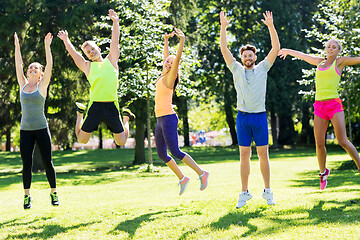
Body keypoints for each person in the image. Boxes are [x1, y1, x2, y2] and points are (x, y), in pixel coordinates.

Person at [278, 39, 360, 190]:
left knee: (342, 140)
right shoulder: (319, 62)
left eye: (333, 47)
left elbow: (358, 59)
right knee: (319, 143)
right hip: (319, 106)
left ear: (338, 51)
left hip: (334, 105)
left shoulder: (340, 62)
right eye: (328, 46)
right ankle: (323, 172)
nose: (330, 49)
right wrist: (288, 51)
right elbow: (303, 55)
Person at [220, 11, 280, 208]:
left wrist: (270, 25)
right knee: (244, 155)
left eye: (250, 55)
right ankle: (244, 193)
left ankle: (268, 191)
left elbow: (276, 48)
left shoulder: (263, 68)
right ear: (241, 58)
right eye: (244, 55)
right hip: (243, 118)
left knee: (264, 154)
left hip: (260, 117)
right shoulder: (236, 69)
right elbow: (224, 49)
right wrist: (223, 26)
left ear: (255, 56)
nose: (247, 58)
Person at [57, 9, 135, 146]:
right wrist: (66, 40)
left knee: (121, 142)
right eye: (88, 52)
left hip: (112, 105)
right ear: (87, 56)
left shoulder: (111, 60)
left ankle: (126, 118)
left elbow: (115, 42)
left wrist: (116, 22)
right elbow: (74, 55)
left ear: (99, 49)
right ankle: (80, 113)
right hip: (96, 106)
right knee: (82, 139)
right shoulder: (87, 67)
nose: (91, 52)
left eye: (93, 49)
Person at [155, 29, 209, 195]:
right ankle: (183, 178)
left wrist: (182, 40)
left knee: (176, 152)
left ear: (174, 68)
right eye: (167, 62)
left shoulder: (170, 78)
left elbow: (175, 59)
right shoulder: (162, 74)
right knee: (162, 155)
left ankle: (202, 173)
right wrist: (165, 41)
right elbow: (167, 57)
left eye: (172, 63)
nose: (169, 63)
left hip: (169, 118)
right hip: (159, 119)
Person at [14, 32, 59, 209]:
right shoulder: (23, 84)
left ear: (40, 74)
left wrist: (47, 47)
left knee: (48, 162)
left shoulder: (42, 85)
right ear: (27, 72)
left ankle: (54, 193)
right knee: (27, 164)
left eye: (36, 68)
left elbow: (50, 65)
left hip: (41, 128)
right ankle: (27, 196)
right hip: (25, 130)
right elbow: (18, 64)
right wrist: (17, 47)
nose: (32, 69)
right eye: (30, 67)